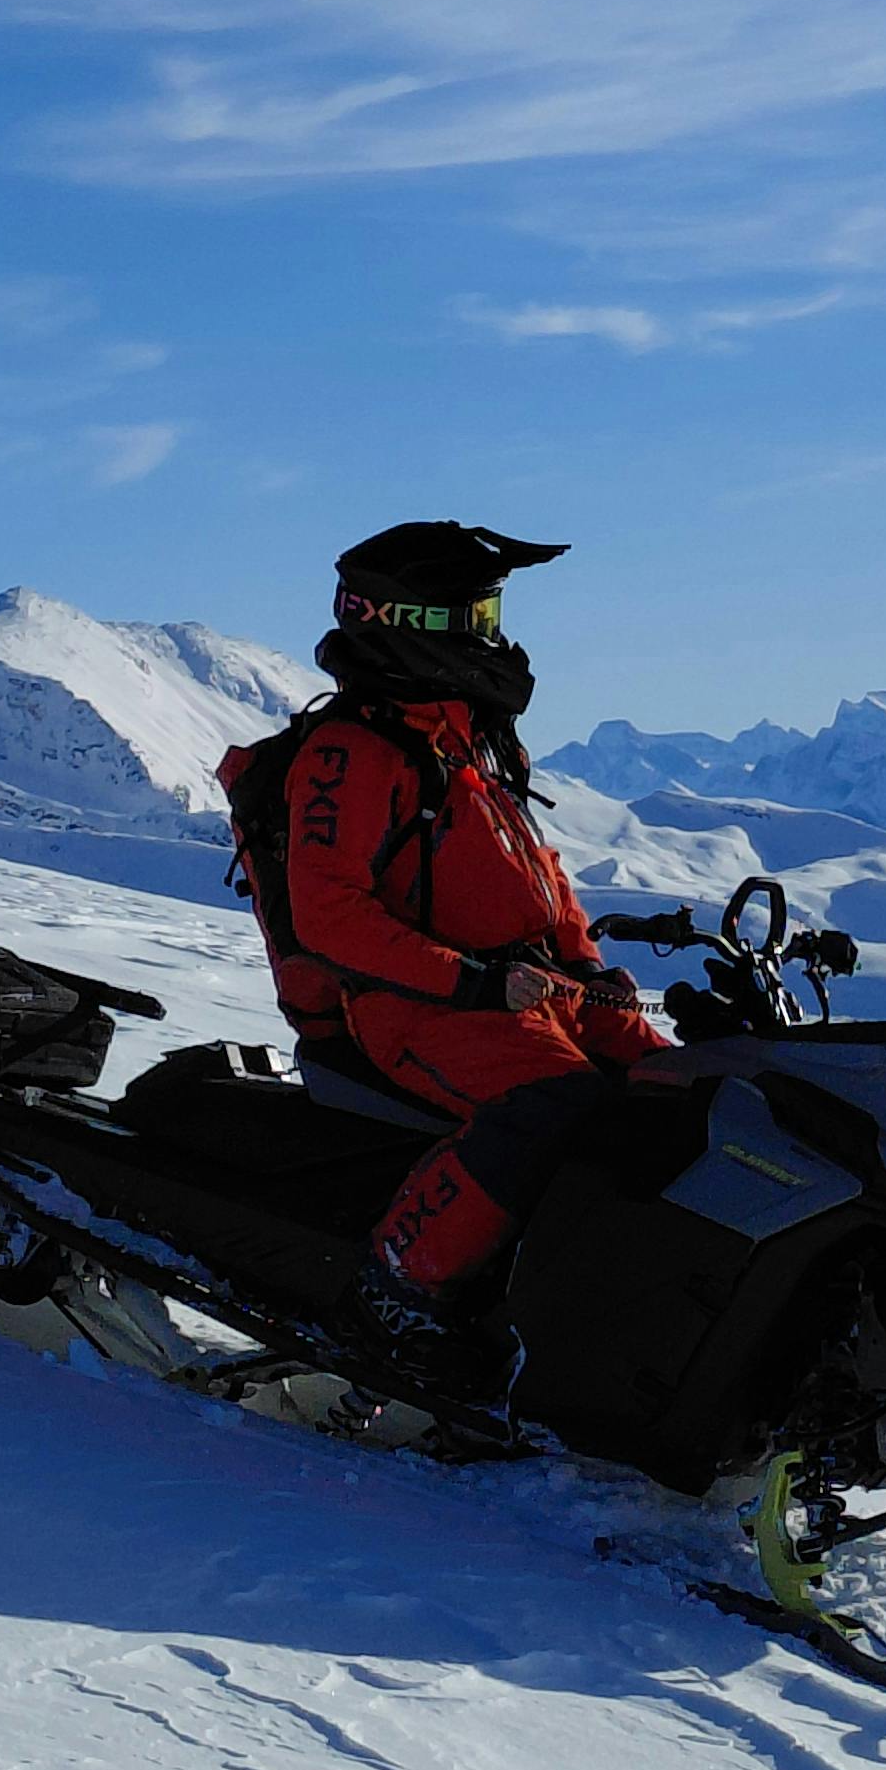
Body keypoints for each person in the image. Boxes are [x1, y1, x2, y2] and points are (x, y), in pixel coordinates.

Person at [220, 520, 668, 1369]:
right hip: (418, 1005)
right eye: (476, 615)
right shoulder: (350, 753)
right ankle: (398, 1289)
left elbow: (539, 879)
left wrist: (585, 967)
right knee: (555, 1108)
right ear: (414, 622)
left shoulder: (465, 736)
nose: (493, 635)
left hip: (526, 990)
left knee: (675, 1088)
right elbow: (331, 916)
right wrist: (468, 982)